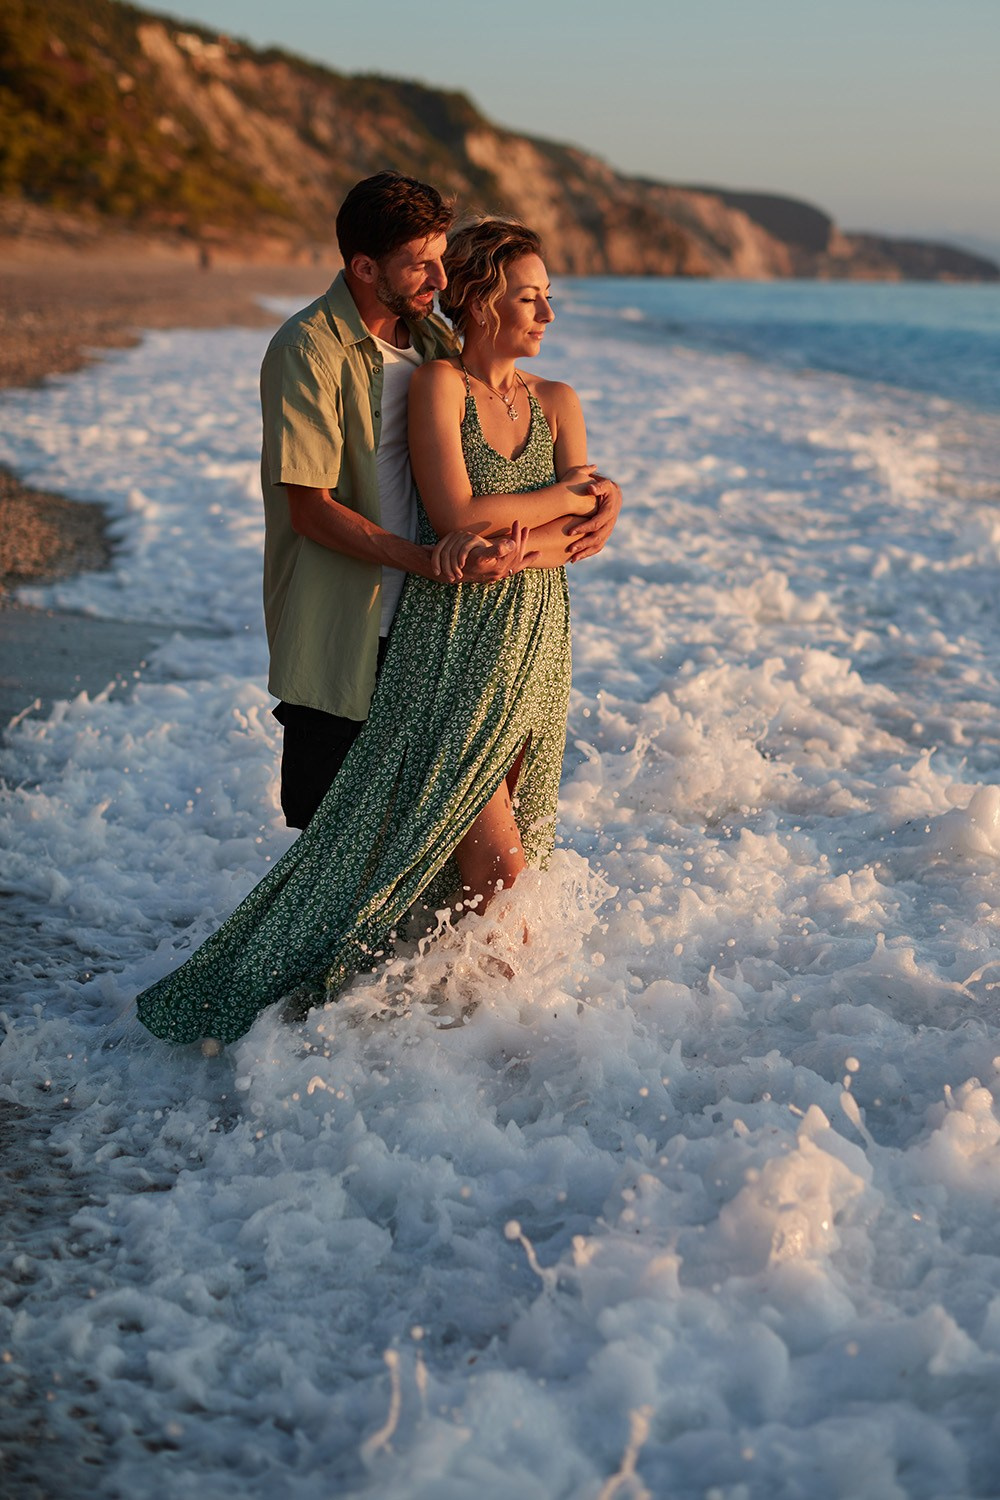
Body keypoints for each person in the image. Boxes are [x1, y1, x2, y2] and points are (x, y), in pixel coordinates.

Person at [136, 217, 619, 1046]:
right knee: (480, 852)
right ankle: (526, 1045)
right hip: (449, 638)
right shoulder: (420, 376)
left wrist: (575, 514)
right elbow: (458, 517)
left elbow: (568, 540)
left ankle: (444, 1022)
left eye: (548, 297)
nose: (546, 315)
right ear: (482, 301)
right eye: (528, 297)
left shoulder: (556, 399)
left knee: (506, 841)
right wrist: (572, 498)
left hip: (538, 639)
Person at [259, 171, 619, 829]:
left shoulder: (428, 341)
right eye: (419, 264)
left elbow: (500, 428)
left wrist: (602, 494)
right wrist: (428, 560)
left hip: (433, 631)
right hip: (345, 627)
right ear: (366, 267)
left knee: (425, 847)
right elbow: (308, 510)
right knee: (334, 846)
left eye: (440, 257)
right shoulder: (308, 349)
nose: (441, 279)